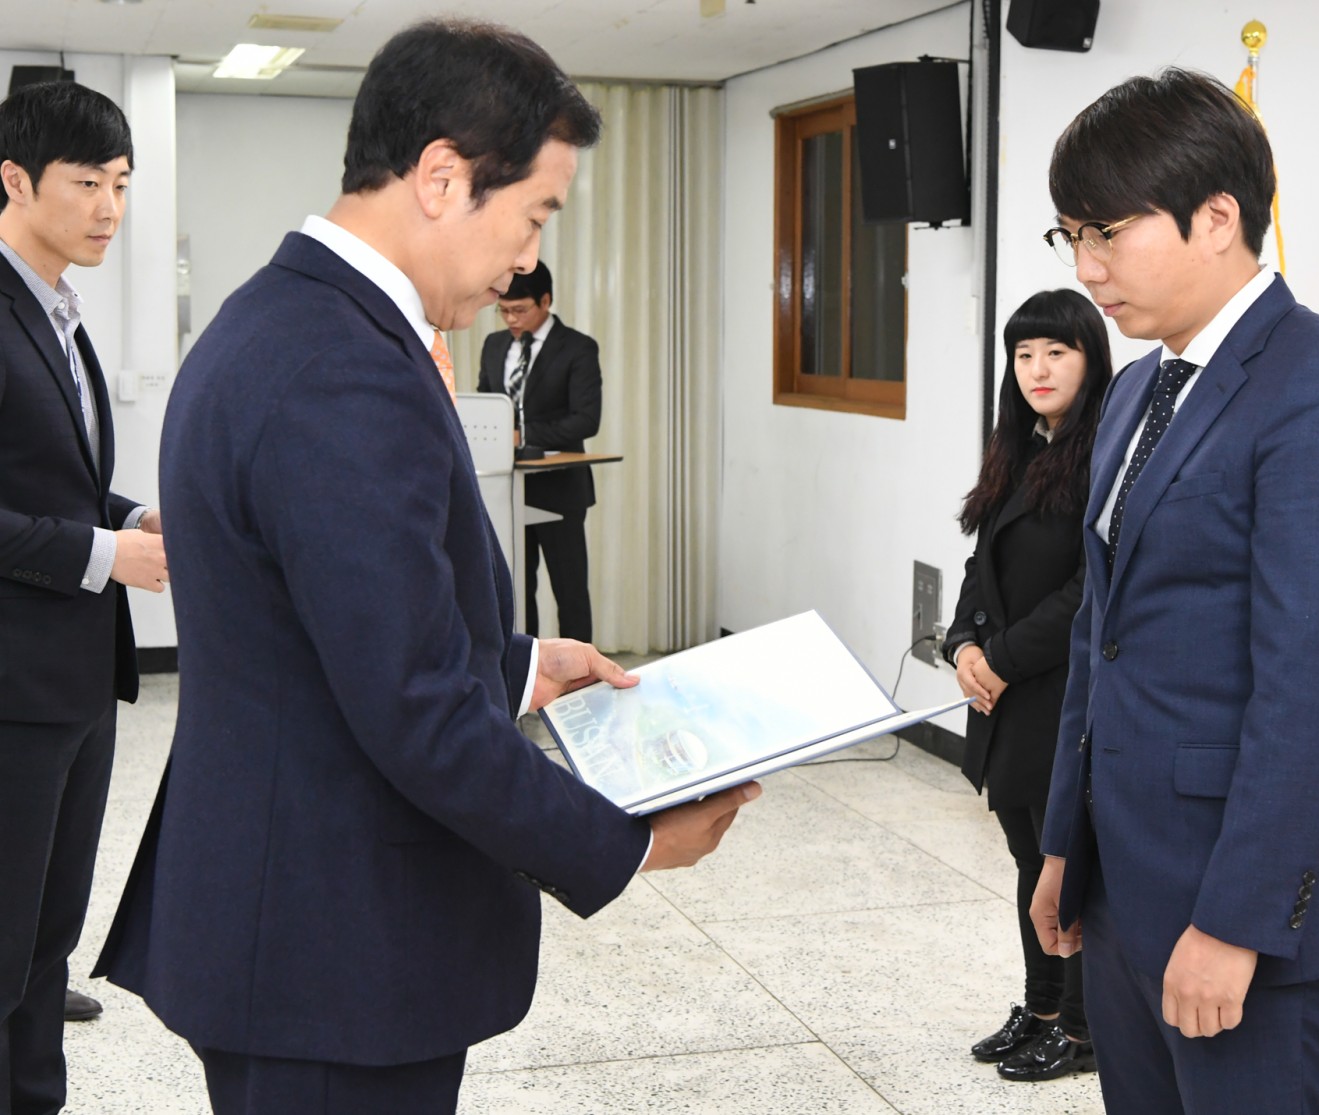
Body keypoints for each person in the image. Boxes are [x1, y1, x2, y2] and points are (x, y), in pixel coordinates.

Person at [92, 20, 756, 1115]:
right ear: (443, 177)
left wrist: (519, 663)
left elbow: (325, 626)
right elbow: (413, 709)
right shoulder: (341, 368)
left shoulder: (284, 318)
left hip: (291, 915)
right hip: (330, 948)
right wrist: (625, 842)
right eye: (534, 214)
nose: (528, 259)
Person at [1028, 68, 1319, 1115]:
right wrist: (1065, 843)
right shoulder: (1135, 392)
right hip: (1124, 878)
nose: (1088, 268)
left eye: (1109, 233)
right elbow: (1100, 635)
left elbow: (1316, 685)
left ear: (1216, 217)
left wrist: (1236, 922)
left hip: (1247, 911)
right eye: (1071, 236)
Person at [0, 80, 166, 1114]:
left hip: (74, 684)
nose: (110, 208)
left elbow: (43, 479)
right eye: (87, 183)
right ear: (15, 180)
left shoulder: (58, 308)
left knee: (46, 936)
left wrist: (130, 513)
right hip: (12, 690)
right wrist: (105, 553)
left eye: (122, 184)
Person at [944, 289, 1109, 1084]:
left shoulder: (1104, 452)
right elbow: (982, 565)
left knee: (1065, 864)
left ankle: (1081, 1028)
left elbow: (1089, 588)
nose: (1037, 368)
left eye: (1057, 352)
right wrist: (963, 644)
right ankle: (1041, 1009)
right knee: (1025, 856)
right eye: (1024, 354)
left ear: (1090, 359)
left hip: (1059, 693)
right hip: (1007, 692)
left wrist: (1001, 658)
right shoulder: (1019, 446)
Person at [477, 261, 600, 641]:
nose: (511, 320)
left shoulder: (577, 347)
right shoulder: (494, 345)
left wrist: (522, 434)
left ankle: (580, 672)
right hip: (506, 489)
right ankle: (526, 667)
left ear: (545, 301)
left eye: (520, 310)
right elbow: (486, 406)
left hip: (560, 488)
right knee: (515, 589)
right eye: (503, 310)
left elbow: (586, 420)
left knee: (570, 589)